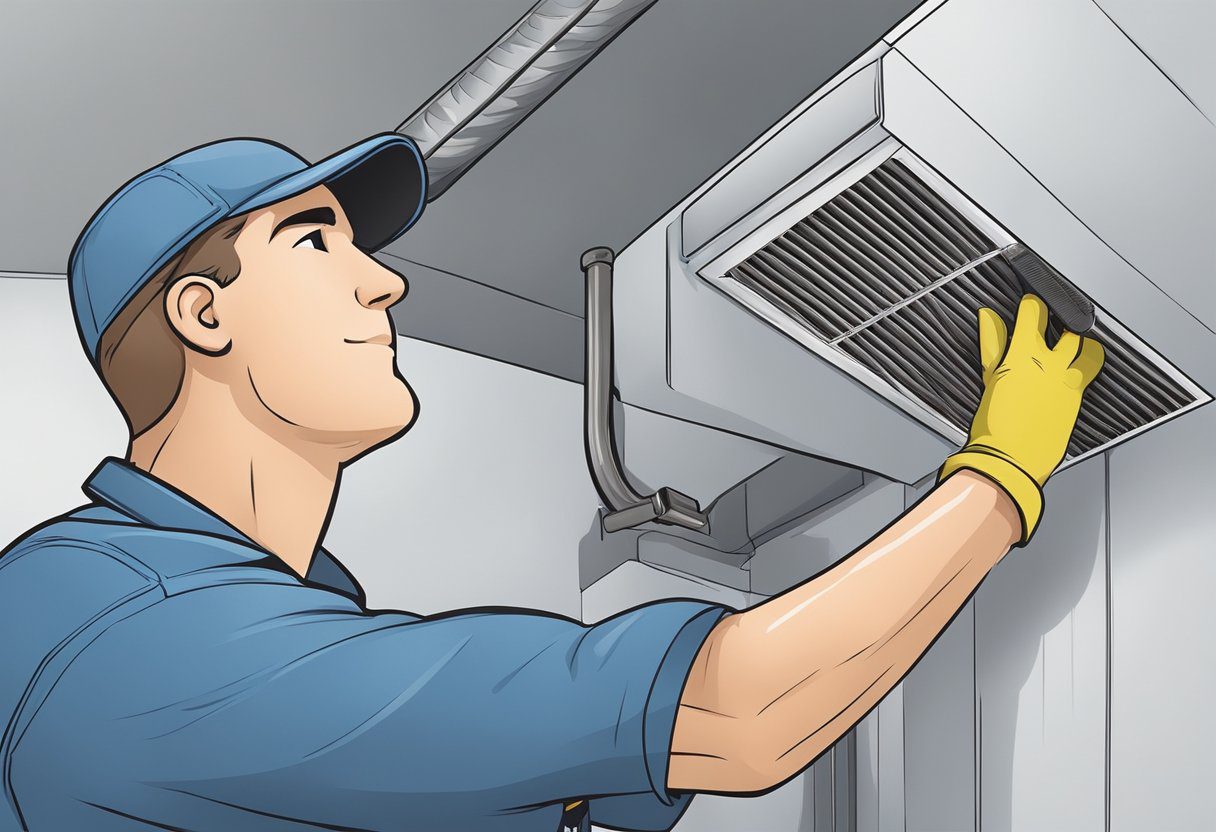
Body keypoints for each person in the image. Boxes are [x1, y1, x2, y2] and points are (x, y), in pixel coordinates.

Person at [0, 133, 1104, 831]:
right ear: (204, 313)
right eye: (315, 244)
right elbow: (735, 710)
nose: (382, 281)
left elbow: (602, 760)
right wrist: (1000, 471)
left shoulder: (262, 624)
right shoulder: (120, 628)